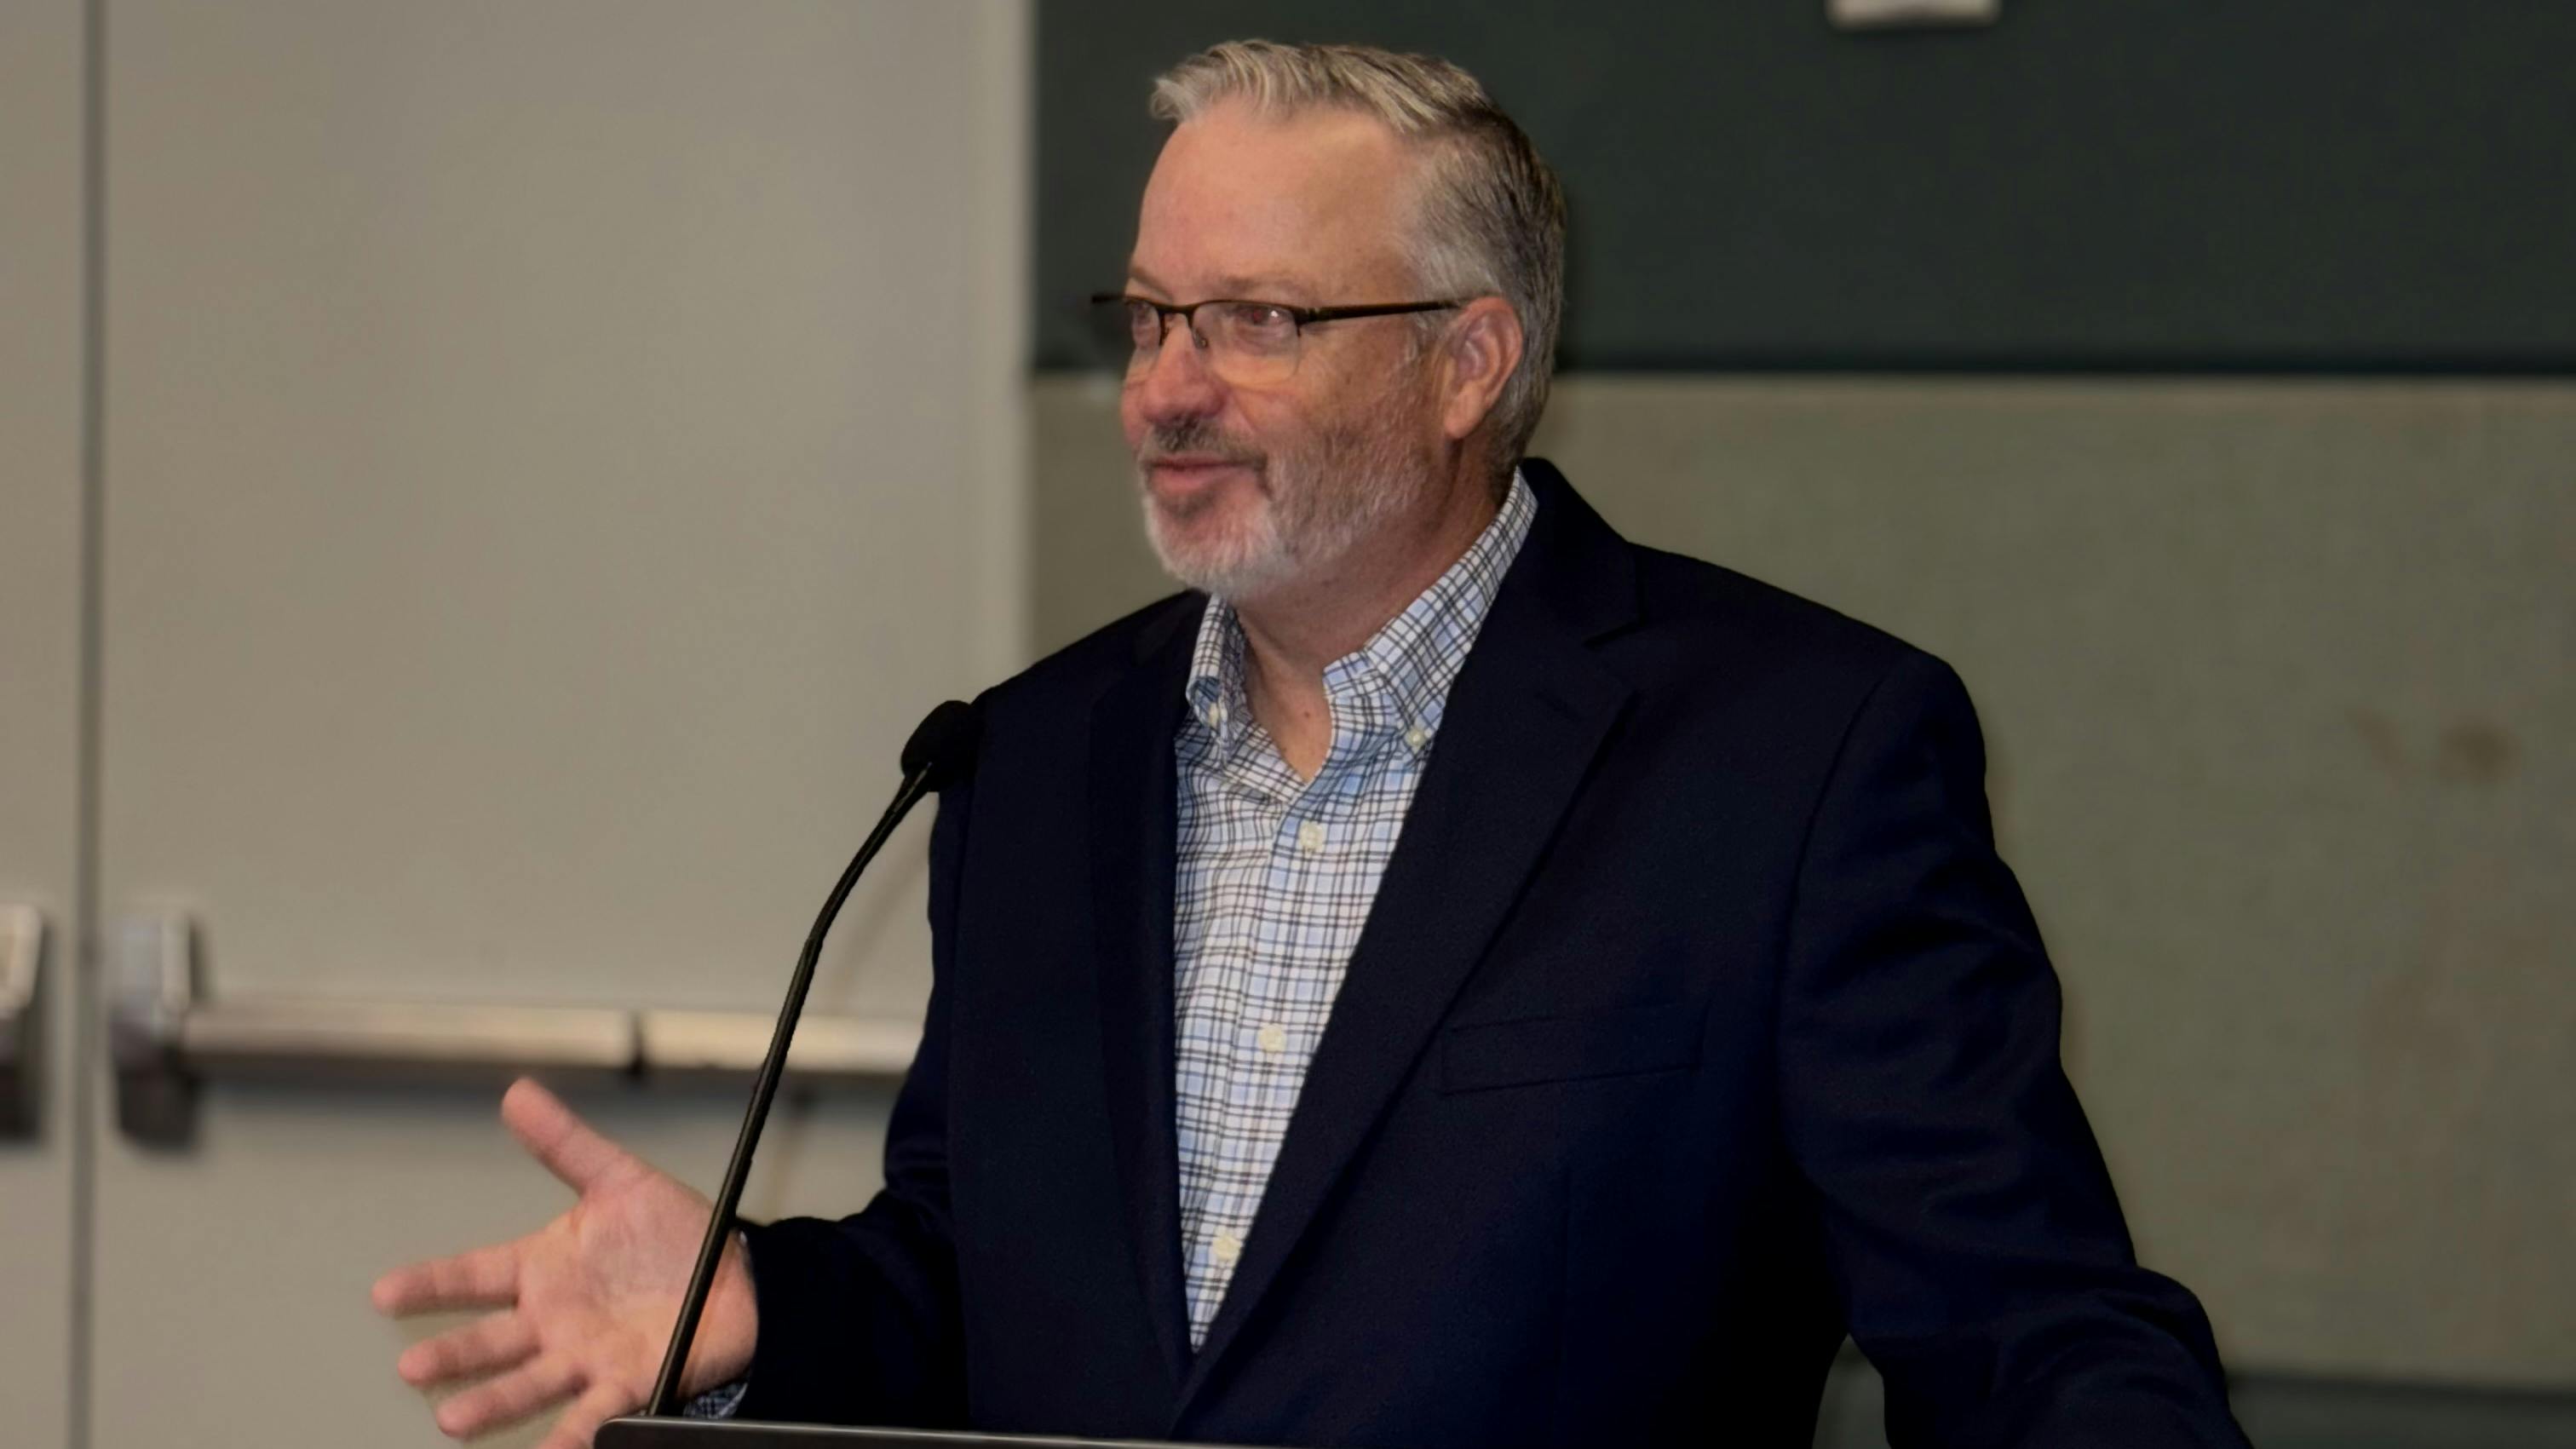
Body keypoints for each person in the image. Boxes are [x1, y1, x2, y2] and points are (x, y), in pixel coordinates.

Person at [375, 40, 2250, 1449]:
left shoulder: (1795, 759)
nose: (1169, 386)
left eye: (1260, 319)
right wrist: (761, 1297)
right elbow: (988, 1275)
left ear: (1467, 361)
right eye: (1151, 315)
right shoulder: (1028, 765)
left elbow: (2031, 1335)